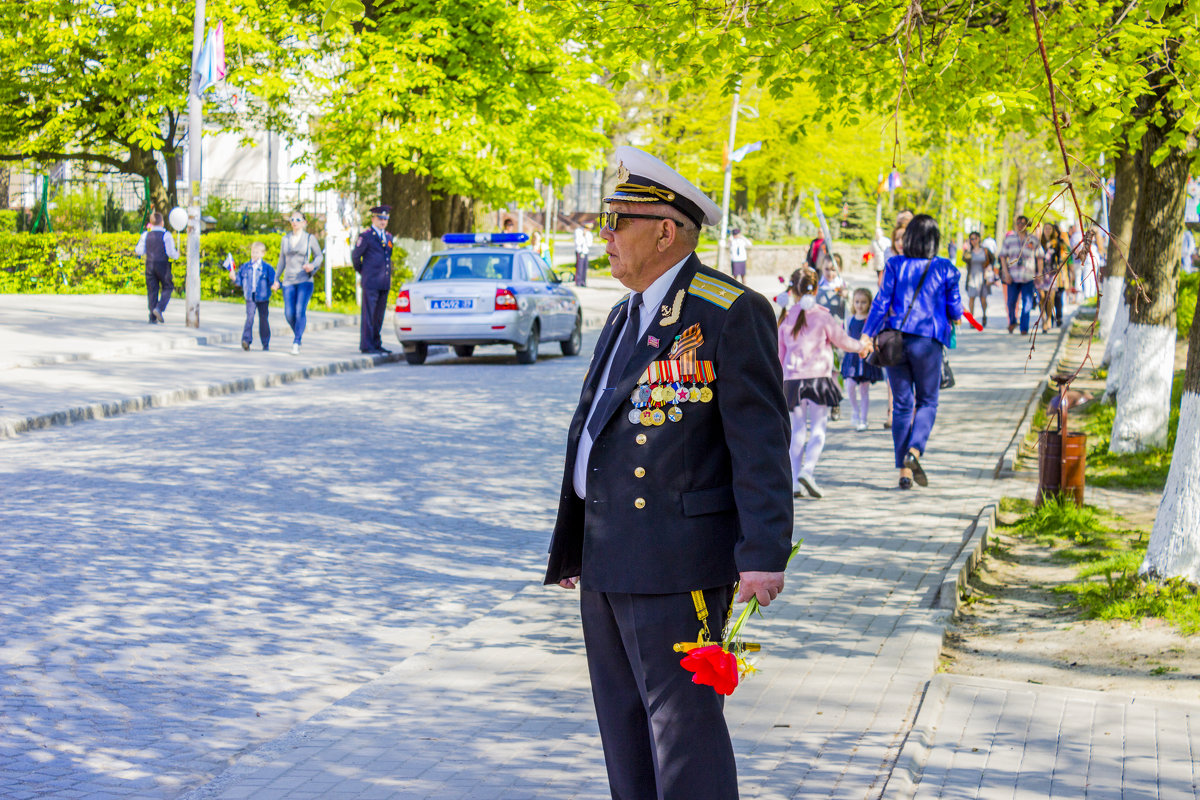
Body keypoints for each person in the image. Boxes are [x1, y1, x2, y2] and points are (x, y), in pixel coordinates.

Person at [544, 145, 793, 800]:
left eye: (619, 221)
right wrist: (574, 541)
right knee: (622, 729)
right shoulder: (625, 313)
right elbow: (595, 432)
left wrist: (763, 552)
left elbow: (761, 440)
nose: (606, 235)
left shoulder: (727, 310)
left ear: (665, 230)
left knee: (684, 735)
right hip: (607, 556)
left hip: (678, 562)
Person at [861, 214, 963, 490]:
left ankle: (904, 472)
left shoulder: (895, 264)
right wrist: (954, 316)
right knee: (927, 401)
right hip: (927, 341)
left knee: (902, 406)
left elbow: (881, 302)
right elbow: (955, 309)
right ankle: (915, 451)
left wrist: (867, 334)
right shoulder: (946, 268)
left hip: (895, 341)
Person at [778, 266, 865, 498]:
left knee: (797, 431)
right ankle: (808, 470)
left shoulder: (786, 316)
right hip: (818, 379)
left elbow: (779, 355)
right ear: (815, 289)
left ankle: (795, 481)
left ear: (793, 290)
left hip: (792, 382)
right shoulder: (822, 315)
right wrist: (863, 346)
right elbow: (843, 341)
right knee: (818, 428)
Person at [276, 211, 324, 355]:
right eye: (292, 219)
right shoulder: (285, 239)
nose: (294, 222)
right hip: (288, 281)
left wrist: (312, 265)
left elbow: (319, 256)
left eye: (298, 219)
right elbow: (281, 261)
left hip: (304, 280)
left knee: (299, 311)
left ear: (304, 222)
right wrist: (276, 279)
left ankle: (297, 340)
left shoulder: (310, 238)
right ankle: (299, 333)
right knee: (289, 313)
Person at [351, 205, 394, 355]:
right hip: (371, 281)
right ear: (373, 219)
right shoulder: (366, 236)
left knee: (379, 315)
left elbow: (388, 257)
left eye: (386, 219)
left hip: (383, 282)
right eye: (380, 218)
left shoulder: (388, 237)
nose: (383, 222)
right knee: (369, 314)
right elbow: (356, 256)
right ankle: (367, 344)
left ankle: (376, 343)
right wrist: (363, 271)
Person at [842, 287, 885, 431]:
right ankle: (855, 410)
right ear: (853, 303)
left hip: (866, 358)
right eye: (857, 302)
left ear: (869, 303)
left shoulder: (869, 321)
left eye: (863, 302)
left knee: (864, 390)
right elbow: (846, 336)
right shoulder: (850, 319)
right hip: (852, 358)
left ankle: (863, 419)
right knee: (849, 385)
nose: (860, 305)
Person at [998, 214, 1043, 334]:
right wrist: (1005, 273)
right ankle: (1012, 321)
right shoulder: (1009, 239)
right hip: (1013, 276)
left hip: (1028, 276)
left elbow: (1040, 257)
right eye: (1018, 223)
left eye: (1023, 223)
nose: (1020, 226)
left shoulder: (1033, 239)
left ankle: (1024, 328)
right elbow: (1003, 257)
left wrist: (1039, 274)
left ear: (1027, 225)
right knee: (1011, 302)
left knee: (1027, 302)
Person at [134, 211, 179, 324]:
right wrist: (177, 254)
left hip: (149, 264)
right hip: (163, 265)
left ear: (151, 223)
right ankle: (159, 308)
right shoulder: (166, 235)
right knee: (168, 287)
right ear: (162, 223)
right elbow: (170, 253)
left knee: (152, 290)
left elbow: (139, 250)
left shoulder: (145, 235)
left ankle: (152, 317)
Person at [232, 241, 276, 351]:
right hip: (250, 297)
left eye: (257, 252)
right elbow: (239, 281)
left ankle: (265, 343)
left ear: (262, 253)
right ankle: (246, 340)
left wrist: (275, 285)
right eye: (253, 252)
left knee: (263, 319)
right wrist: (233, 278)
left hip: (263, 297)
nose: (254, 254)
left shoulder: (267, 268)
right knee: (249, 318)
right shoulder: (246, 267)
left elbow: (272, 280)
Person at [1038, 222, 1071, 331]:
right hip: (1041, 273)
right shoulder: (1040, 243)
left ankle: (1048, 319)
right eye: (1045, 228)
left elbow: (1061, 258)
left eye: (1049, 229)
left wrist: (1062, 274)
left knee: (1050, 297)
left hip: (1051, 273)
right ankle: (1043, 319)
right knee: (1042, 298)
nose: (1047, 230)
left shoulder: (1057, 244)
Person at [961, 231, 993, 327]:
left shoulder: (985, 251)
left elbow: (992, 260)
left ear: (979, 239)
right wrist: (968, 249)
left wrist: (989, 270)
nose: (974, 241)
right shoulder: (969, 252)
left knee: (983, 299)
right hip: (972, 277)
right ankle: (972, 320)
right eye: (972, 239)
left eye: (975, 238)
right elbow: (964, 258)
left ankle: (984, 315)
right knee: (971, 299)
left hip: (983, 278)